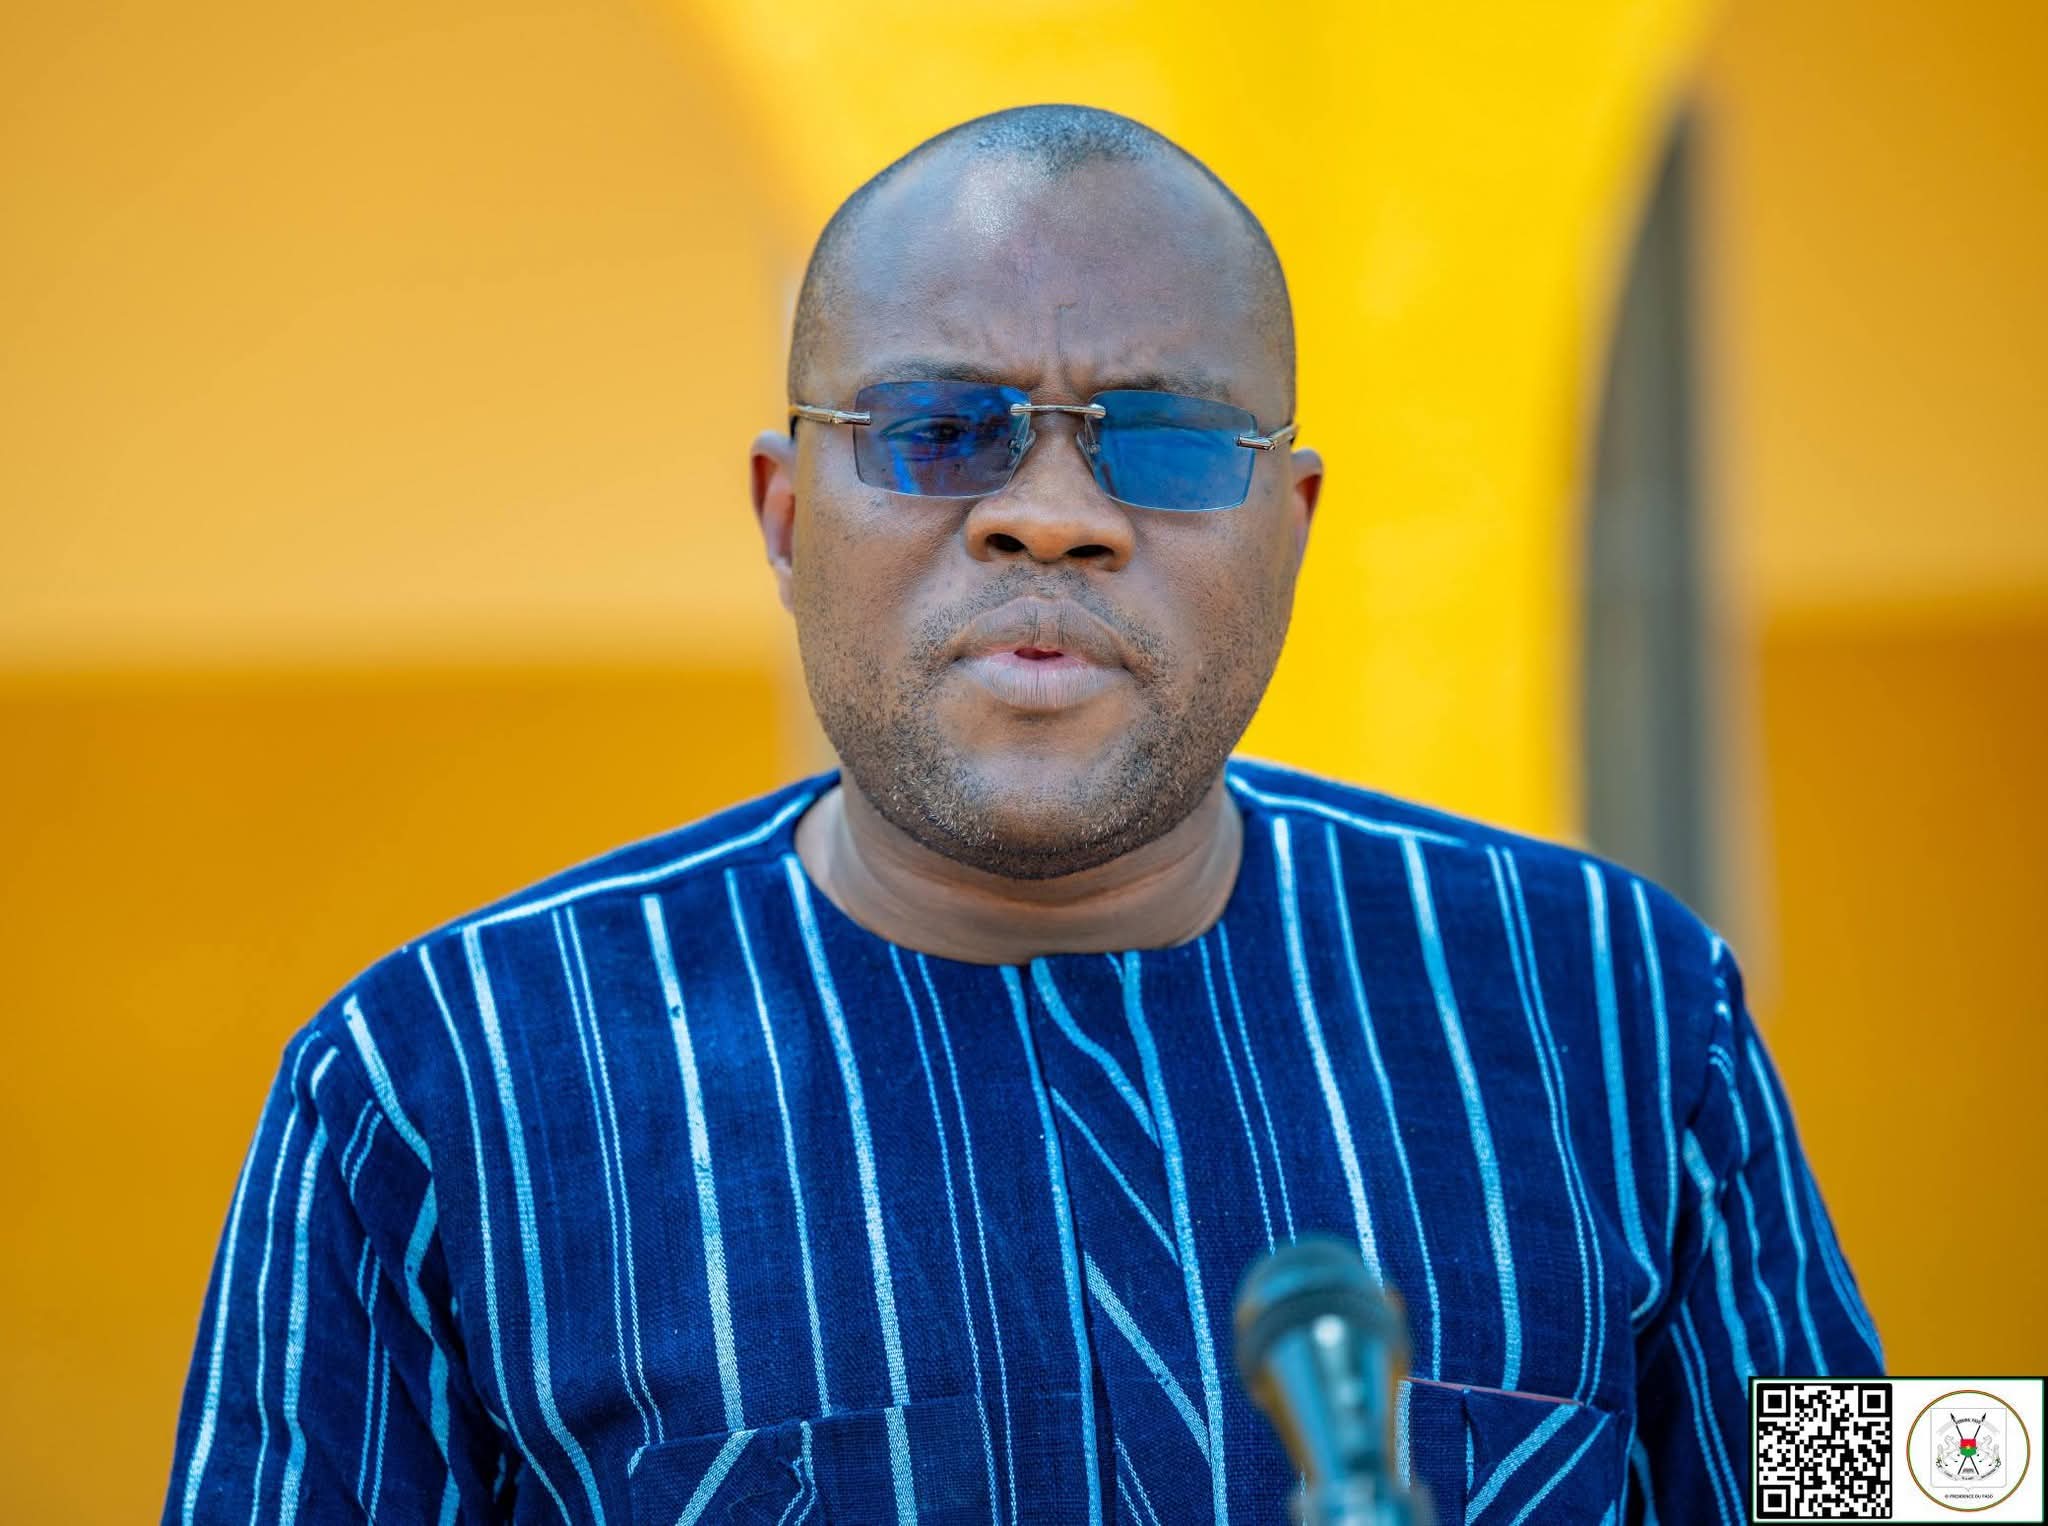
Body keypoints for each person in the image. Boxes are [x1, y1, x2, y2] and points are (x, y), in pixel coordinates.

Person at [164, 104, 1881, 1525]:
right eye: (938, 432)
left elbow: (1881, 1493)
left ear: (1290, 529)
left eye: (1167, 441)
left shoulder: (1624, 1006)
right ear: (785, 516)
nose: (1050, 515)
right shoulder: (433, 1087)